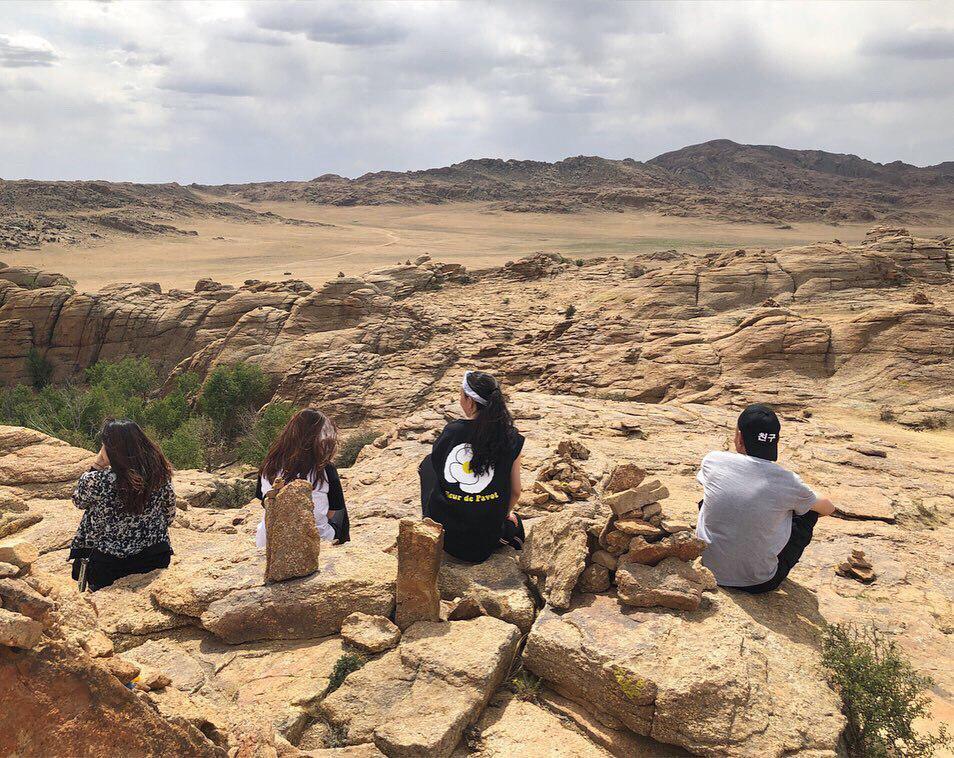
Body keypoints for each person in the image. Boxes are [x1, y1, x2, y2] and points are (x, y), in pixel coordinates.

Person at [695, 404, 836, 593]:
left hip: (707, 567)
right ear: (775, 441)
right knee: (807, 513)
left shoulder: (713, 460)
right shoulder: (787, 480)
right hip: (758, 582)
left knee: (713, 498)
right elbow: (828, 507)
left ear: (739, 437)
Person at [422, 370, 525, 563]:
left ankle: (429, 520)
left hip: (447, 538)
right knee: (516, 525)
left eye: (461, 395)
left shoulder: (452, 431)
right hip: (485, 540)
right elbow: (516, 491)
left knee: (428, 466)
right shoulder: (511, 438)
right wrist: (504, 514)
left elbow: (437, 468)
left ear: (470, 401)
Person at [70, 419, 176, 591]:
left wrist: (97, 465)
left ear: (109, 449)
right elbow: (169, 515)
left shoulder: (97, 480)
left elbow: (79, 501)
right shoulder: (160, 476)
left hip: (107, 564)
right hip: (154, 557)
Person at [254, 408, 350, 546]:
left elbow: (264, 502)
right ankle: (341, 544)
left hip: (270, 540)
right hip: (314, 539)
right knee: (340, 511)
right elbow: (332, 512)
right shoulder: (324, 469)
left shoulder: (269, 464)